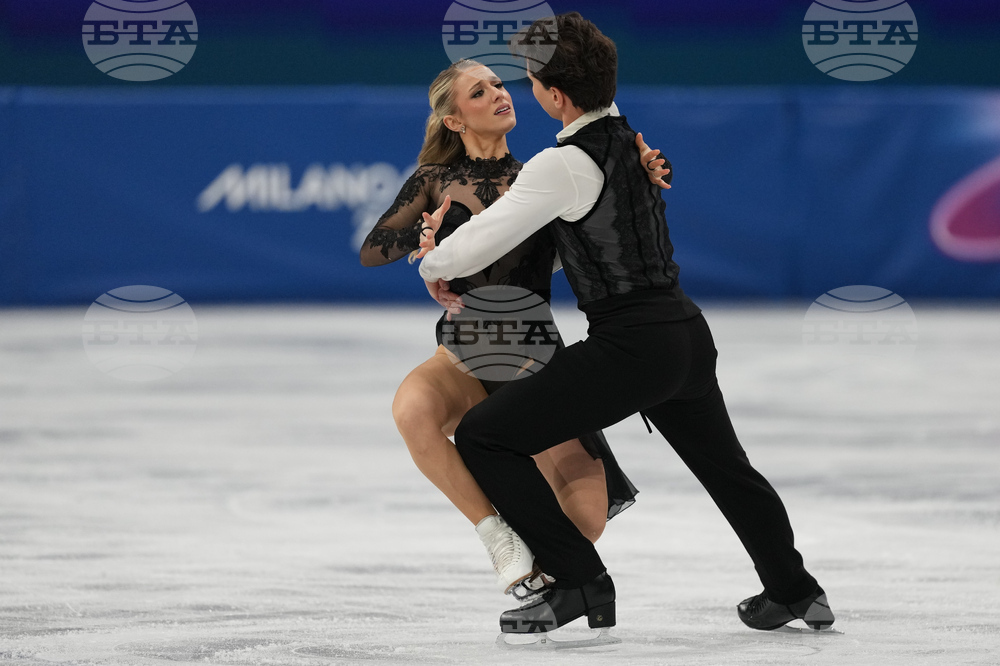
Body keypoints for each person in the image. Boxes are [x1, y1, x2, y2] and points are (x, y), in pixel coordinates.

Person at [417, 13, 835, 637]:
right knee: (729, 470)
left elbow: (475, 246)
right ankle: (796, 591)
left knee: (484, 438)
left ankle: (580, 579)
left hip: (633, 347)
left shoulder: (559, 166)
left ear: (555, 96)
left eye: (531, 81)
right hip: (686, 335)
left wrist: (434, 260)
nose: (525, 90)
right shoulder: (628, 137)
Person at [359, 59, 671, 596]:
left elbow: (597, 230)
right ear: (455, 121)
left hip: (534, 359)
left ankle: (547, 562)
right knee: (413, 409)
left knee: (587, 520)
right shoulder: (435, 181)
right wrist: (423, 242)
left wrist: (635, 174)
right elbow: (372, 249)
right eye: (479, 93)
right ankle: (496, 534)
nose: (500, 95)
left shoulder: (543, 177)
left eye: (500, 85)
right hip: (462, 352)